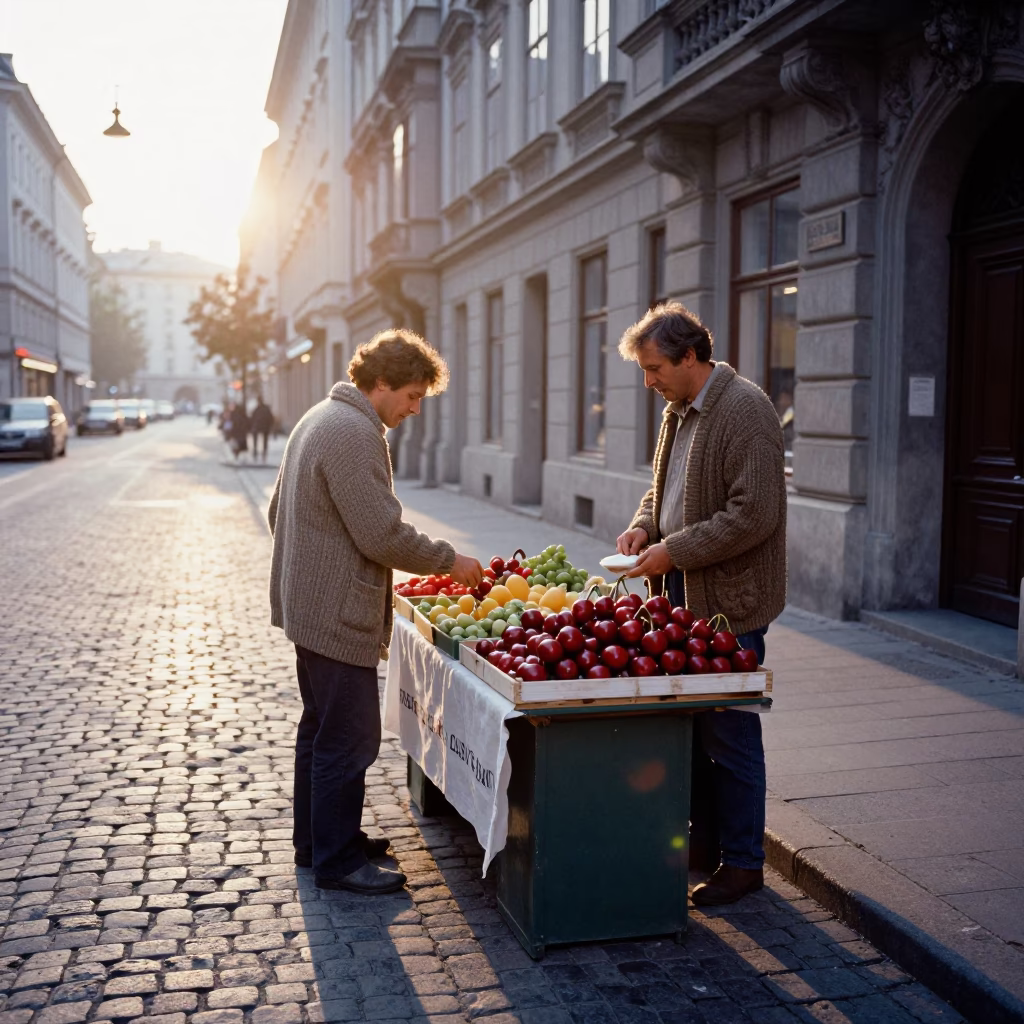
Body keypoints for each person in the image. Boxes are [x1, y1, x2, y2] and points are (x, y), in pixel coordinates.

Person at [268, 328, 483, 896]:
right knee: (351, 735)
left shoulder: (318, 417)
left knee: (319, 729)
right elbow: (380, 534)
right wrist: (450, 560)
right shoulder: (353, 432)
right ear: (381, 383)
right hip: (335, 613)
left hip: (308, 605)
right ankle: (338, 862)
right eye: (412, 395)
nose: (414, 409)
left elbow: (275, 512)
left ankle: (317, 842)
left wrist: (309, 563)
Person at [616, 301, 787, 907]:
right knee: (694, 732)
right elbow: (665, 490)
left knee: (731, 736)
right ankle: (706, 845)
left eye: (655, 366)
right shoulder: (677, 410)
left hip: (731, 605)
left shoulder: (747, 410)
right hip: (685, 597)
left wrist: (675, 551)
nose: (648, 381)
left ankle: (743, 863)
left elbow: (753, 513)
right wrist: (644, 525)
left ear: (691, 356)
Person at [250, 396, 274, 463]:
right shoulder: (262, 409)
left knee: (263, 441)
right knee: (262, 441)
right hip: (262, 427)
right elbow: (271, 418)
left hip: (262, 427)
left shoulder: (258, 409)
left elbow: (252, 418)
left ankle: (260, 454)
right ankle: (259, 453)